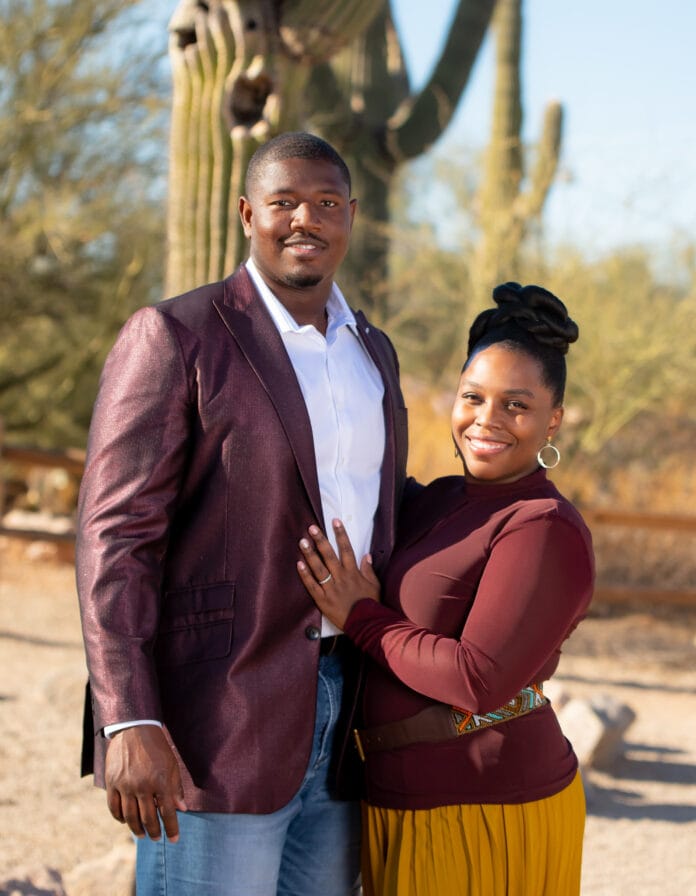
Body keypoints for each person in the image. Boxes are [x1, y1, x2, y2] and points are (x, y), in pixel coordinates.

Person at [76, 131, 408, 896]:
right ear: (245, 212)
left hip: (348, 711)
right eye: (284, 202)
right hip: (214, 719)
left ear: (351, 217)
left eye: (326, 204)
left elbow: (383, 512)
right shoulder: (177, 335)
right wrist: (127, 717)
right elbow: (116, 538)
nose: (306, 221)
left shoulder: (374, 353)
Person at [297, 282, 595, 896]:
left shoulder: (543, 526)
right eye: (473, 397)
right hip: (394, 800)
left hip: (488, 808)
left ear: (553, 419)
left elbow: (476, 679)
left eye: (516, 404)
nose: (487, 420)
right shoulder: (432, 500)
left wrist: (361, 616)